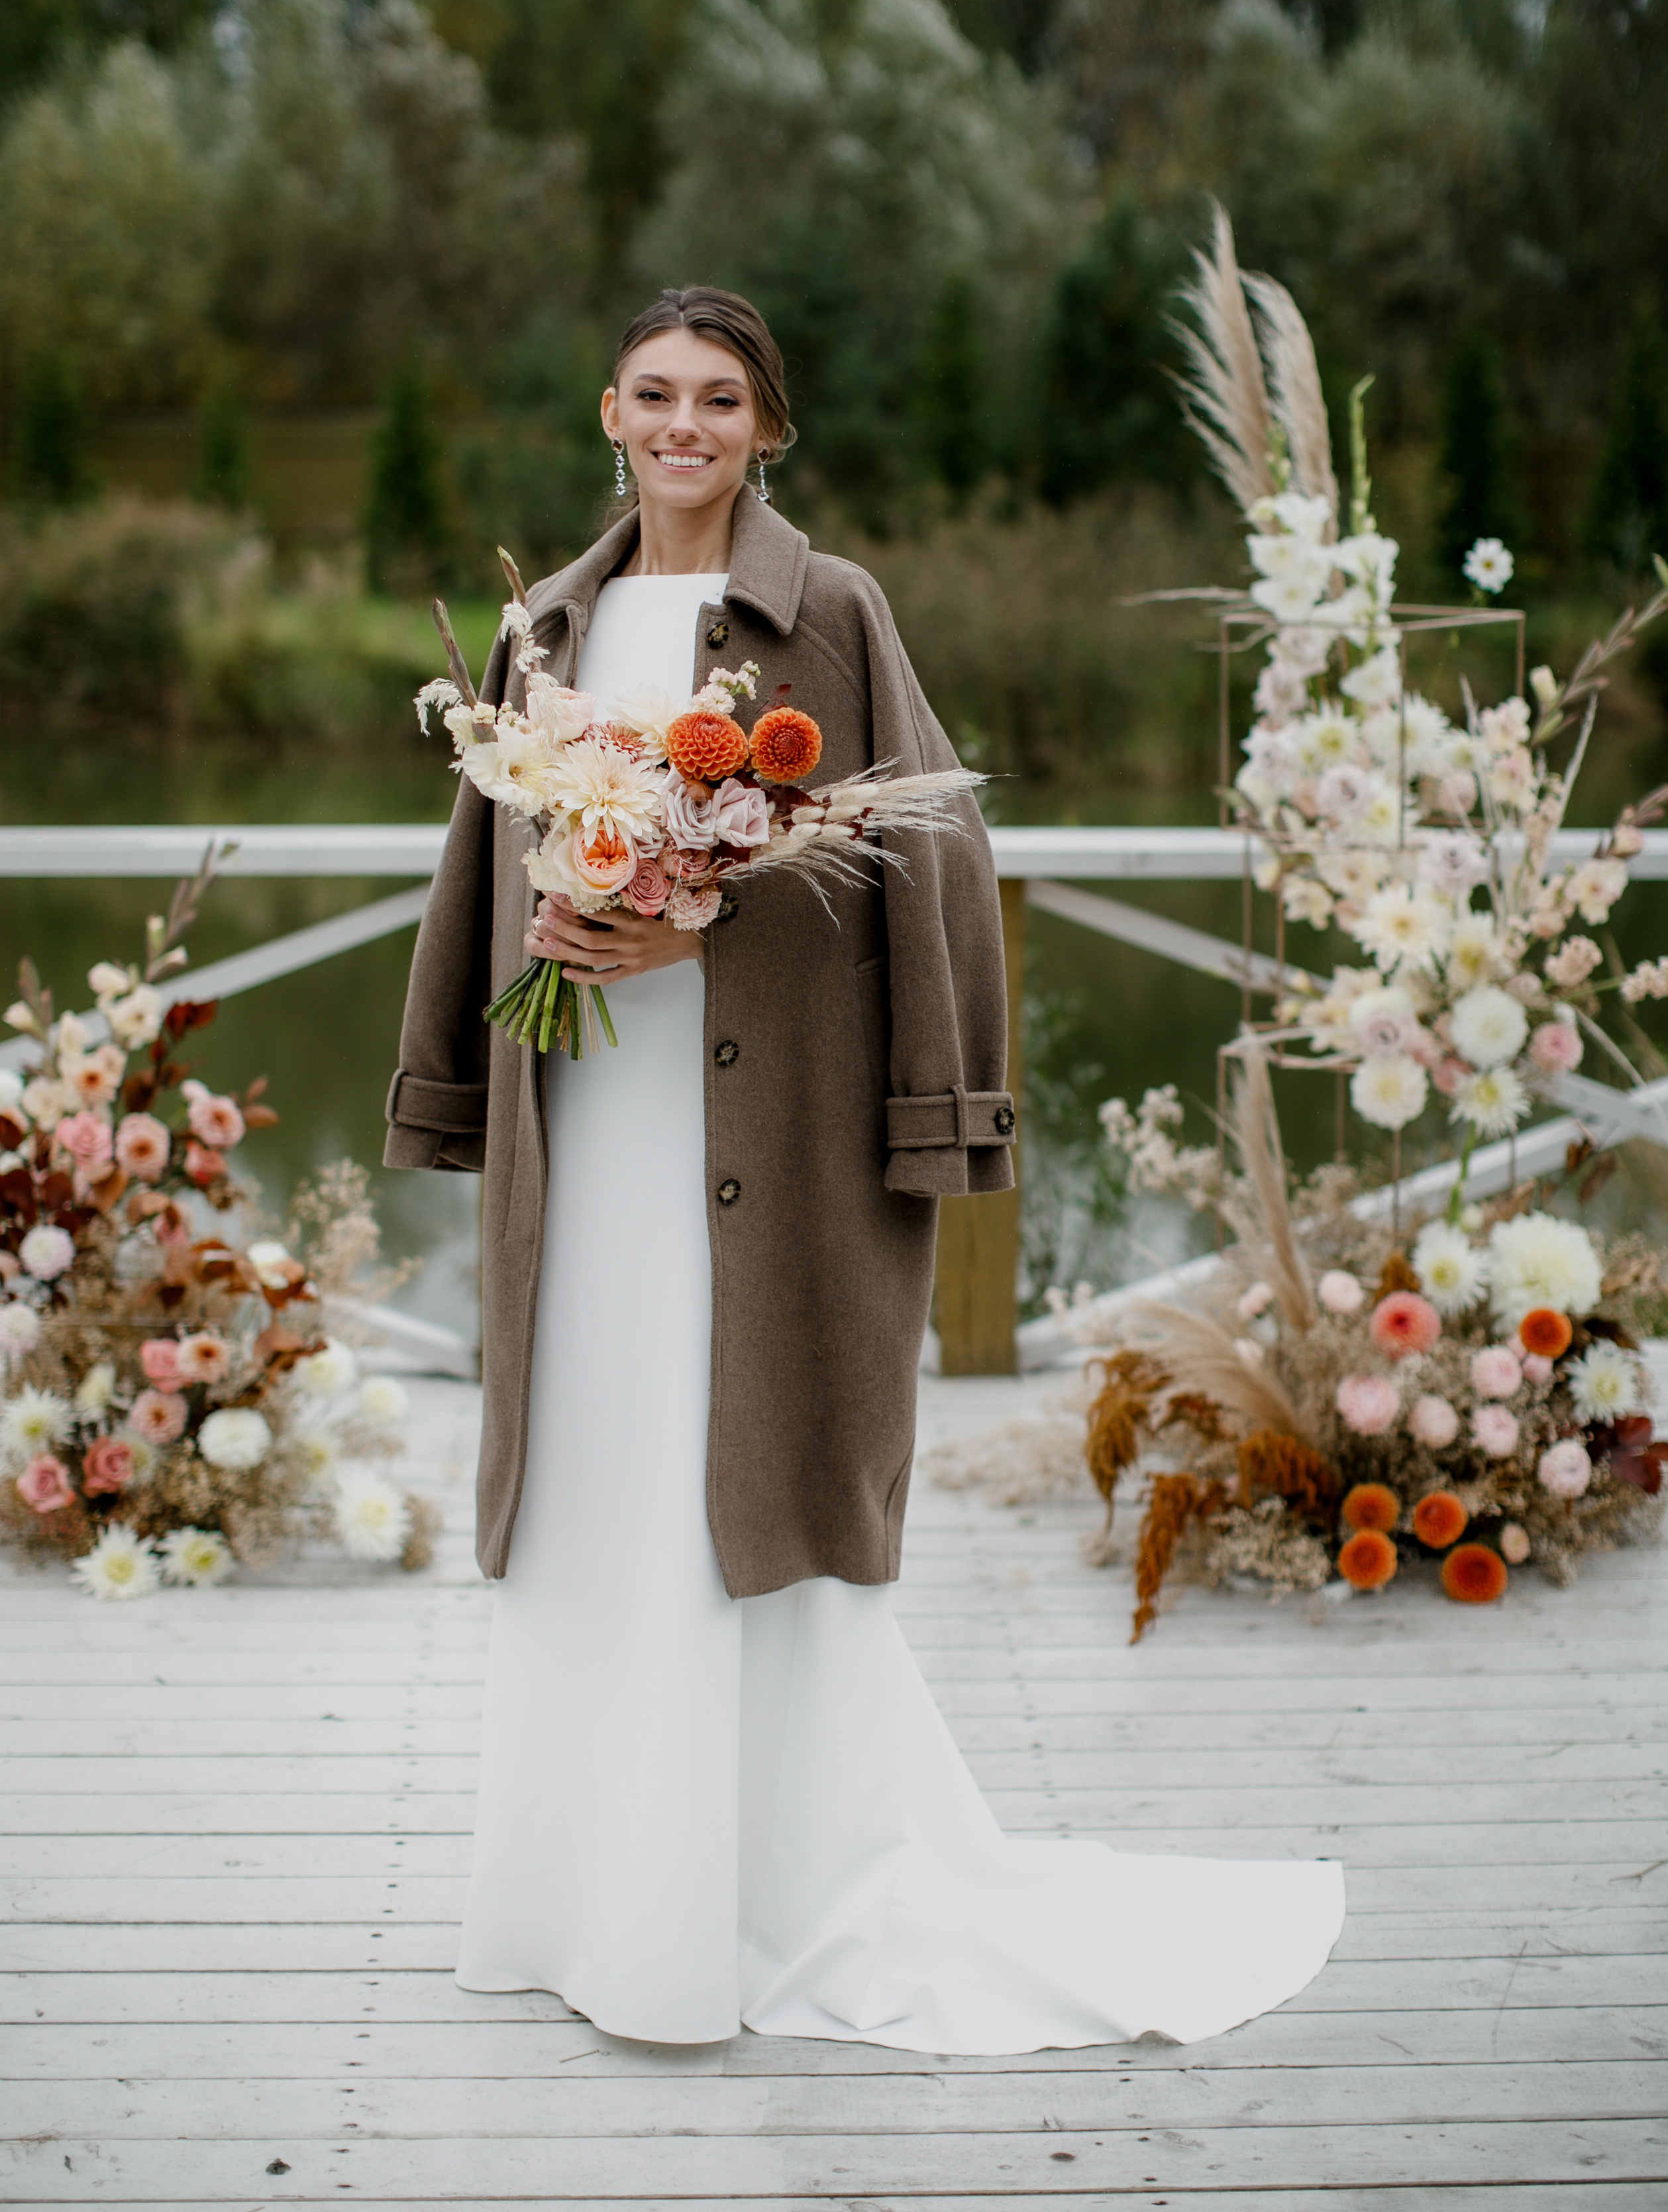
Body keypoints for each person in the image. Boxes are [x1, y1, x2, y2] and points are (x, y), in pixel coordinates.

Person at [384, 284, 1344, 2052]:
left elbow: (926, 867)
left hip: (759, 1137)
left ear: (770, 429)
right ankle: (580, 1897)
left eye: (722, 400)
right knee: (595, 1467)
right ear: (612, 412)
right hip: (584, 1122)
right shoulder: (545, 623)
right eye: (658, 396)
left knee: (731, 1458)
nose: (686, 427)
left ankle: (756, 1903)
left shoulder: (830, 613)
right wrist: (498, 1017)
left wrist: (701, 944)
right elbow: (479, 865)